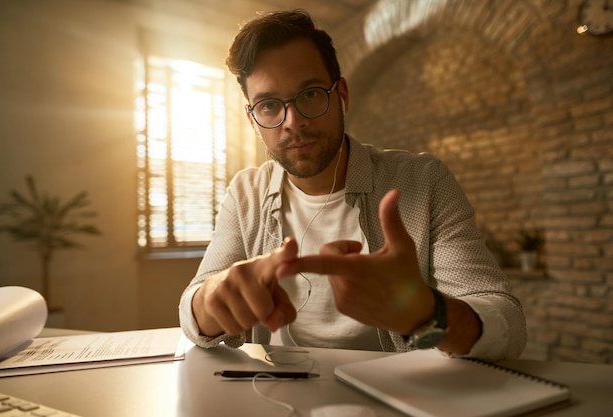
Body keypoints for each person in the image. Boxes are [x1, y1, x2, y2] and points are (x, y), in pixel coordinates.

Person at [178, 9, 526, 361]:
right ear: (253, 120)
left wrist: (425, 314)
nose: (293, 122)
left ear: (341, 94)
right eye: (269, 105)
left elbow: (507, 321)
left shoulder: (424, 181)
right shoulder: (245, 194)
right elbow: (191, 313)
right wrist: (211, 300)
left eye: (311, 94)